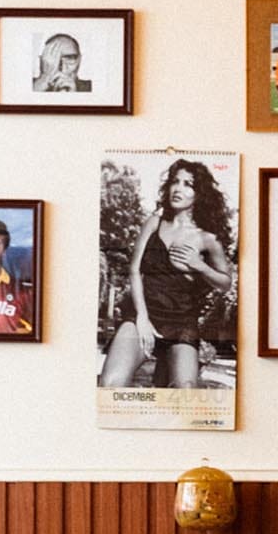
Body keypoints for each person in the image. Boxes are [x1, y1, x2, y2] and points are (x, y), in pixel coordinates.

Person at [98, 160, 235, 387]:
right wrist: (142, 318)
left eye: (188, 184)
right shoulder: (154, 222)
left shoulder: (207, 239)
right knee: (110, 384)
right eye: (175, 182)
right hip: (143, 316)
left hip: (181, 323)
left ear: (200, 194)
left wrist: (200, 266)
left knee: (186, 392)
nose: (178, 189)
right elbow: (134, 270)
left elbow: (225, 283)